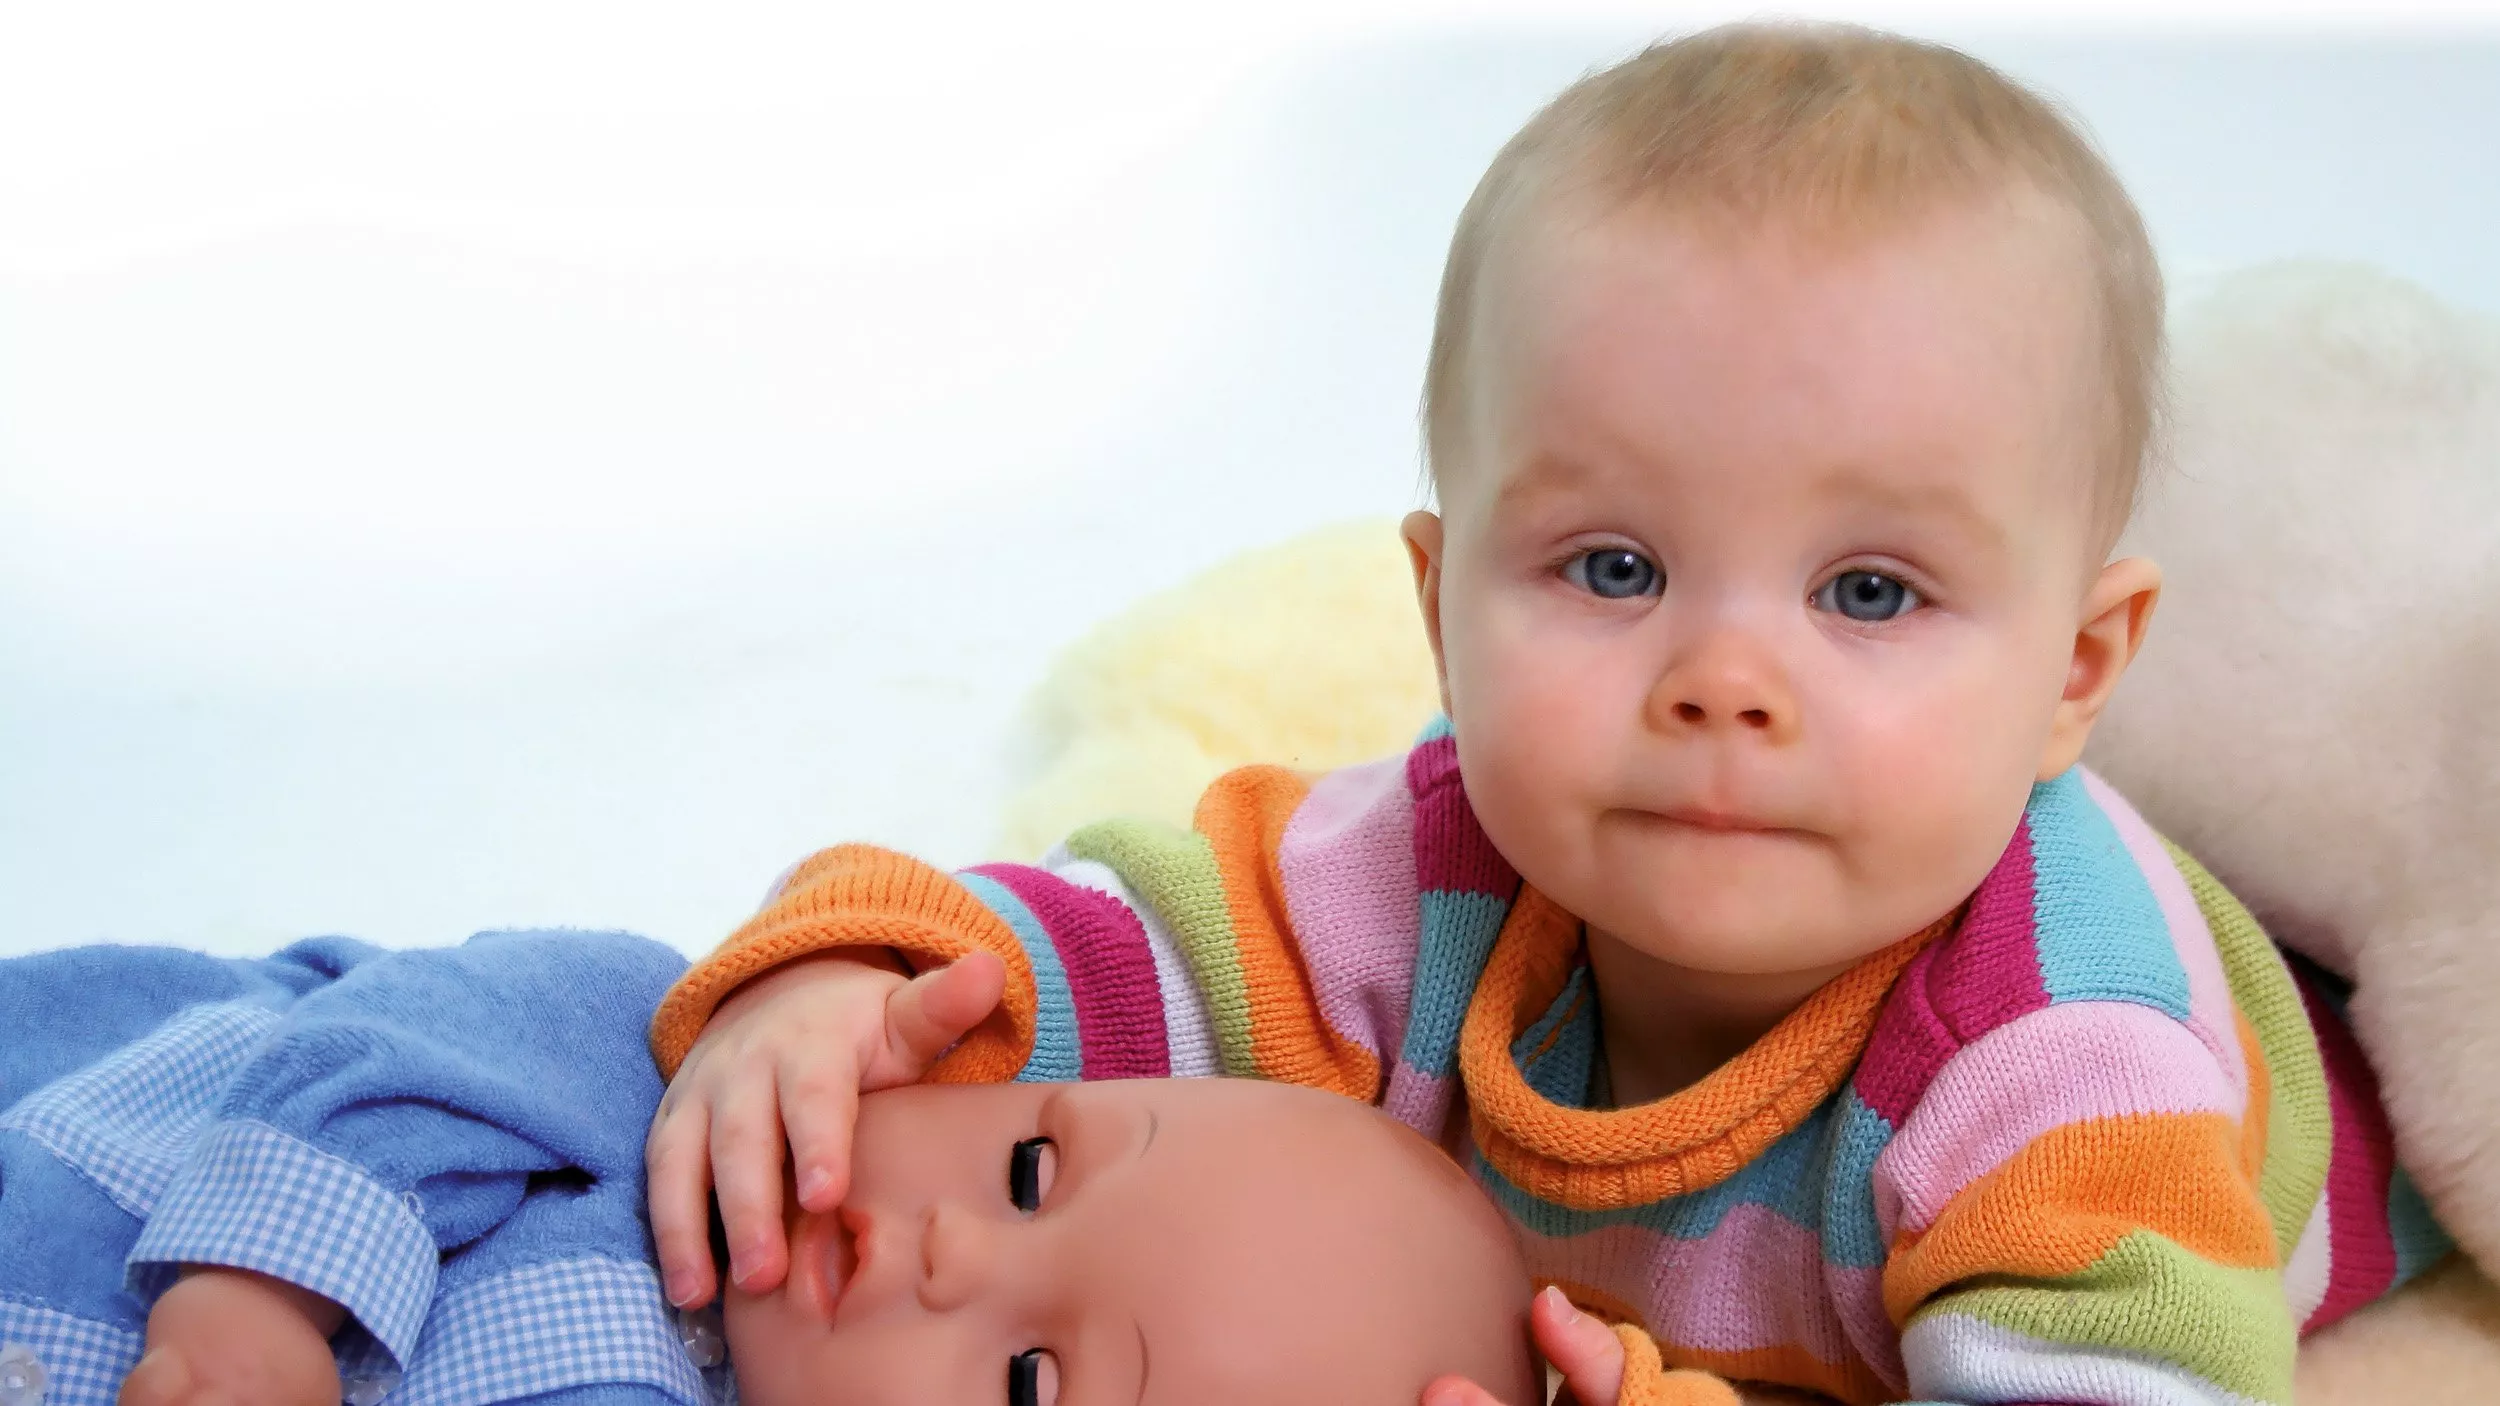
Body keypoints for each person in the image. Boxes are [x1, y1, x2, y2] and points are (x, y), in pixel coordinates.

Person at [641, 21, 2453, 1406]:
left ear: (2073, 673)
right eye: (1612, 566)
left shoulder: (2066, 1060)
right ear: (1440, 613)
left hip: (2343, 1150)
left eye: (1868, 593)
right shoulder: (1428, 866)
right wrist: (856, 979)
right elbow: (1124, 954)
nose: (1723, 680)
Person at [0, 933, 1540, 1406]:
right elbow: (418, 1033)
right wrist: (260, 1296)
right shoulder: (671, 1083)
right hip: (76, 1147)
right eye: (1026, 1170)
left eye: (1029, 1382)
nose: (949, 1251)